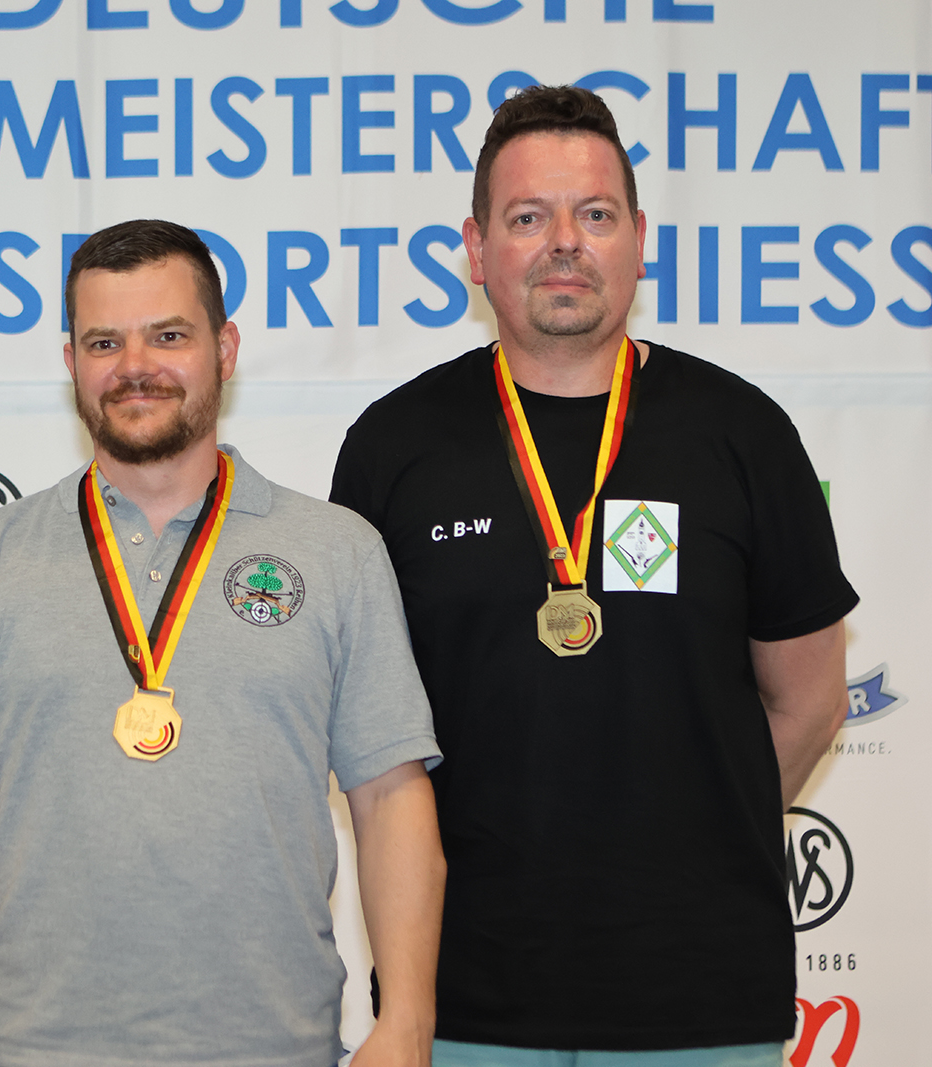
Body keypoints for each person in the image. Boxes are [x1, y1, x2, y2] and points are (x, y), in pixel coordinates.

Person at [331, 86, 858, 1066]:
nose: (565, 243)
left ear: (639, 239)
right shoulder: (392, 448)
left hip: (699, 1004)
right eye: (528, 217)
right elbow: (368, 736)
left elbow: (810, 700)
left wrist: (690, 841)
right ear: (477, 247)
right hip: (460, 1002)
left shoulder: (743, 434)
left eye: (596, 214)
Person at [0, 219, 446, 1067]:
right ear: (70, 360)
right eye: (104, 341)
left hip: (272, 1048)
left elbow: (391, 797)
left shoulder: (338, 552)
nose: (135, 366)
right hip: (30, 1048)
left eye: (169, 336)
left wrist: (405, 1021)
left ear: (226, 349)